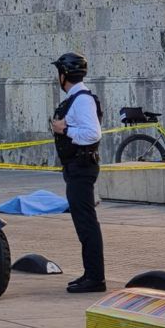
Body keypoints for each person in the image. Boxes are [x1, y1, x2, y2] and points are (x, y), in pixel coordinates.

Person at [50, 52, 106, 294]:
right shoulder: (76, 98)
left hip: (82, 168)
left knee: (87, 225)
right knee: (84, 224)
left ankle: (95, 278)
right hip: (76, 168)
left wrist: (66, 129)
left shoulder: (82, 99)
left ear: (64, 75)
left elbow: (93, 134)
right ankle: (91, 274)